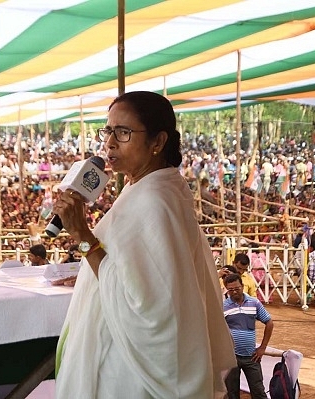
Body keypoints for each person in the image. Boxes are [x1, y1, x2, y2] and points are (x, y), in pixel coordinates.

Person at [53, 91, 235, 398]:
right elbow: (130, 270)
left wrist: (83, 236)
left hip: (129, 373)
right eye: (107, 130)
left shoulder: (154, 201)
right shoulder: (145, 187)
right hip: (120, 357)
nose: (109, 142)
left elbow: (152, 310)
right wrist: (92, 276)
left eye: (123, 132)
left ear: (157, 142)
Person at [223, 273, 274, 399]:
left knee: (258, 391)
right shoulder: (223, 306)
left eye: (237, 288)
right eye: (231, 290)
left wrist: (262, 348)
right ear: (226, 290)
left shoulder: (254, 303)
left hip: (252, 356)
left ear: (242, 286)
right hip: (231, 356)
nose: (234, 292)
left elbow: (269, 322)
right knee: (232, 392)